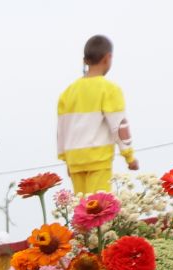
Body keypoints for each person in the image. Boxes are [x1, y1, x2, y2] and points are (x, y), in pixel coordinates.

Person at [57, 34, 136, 195]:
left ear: (85, 59)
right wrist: (129, 156)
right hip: (98, 159)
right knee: (97, 211)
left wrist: (66, 160)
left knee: (81, 212)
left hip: (74, 160)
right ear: (108, 58)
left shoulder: (68, 92)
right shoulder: (109, 89)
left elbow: (62, 130)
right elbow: (119, 125)